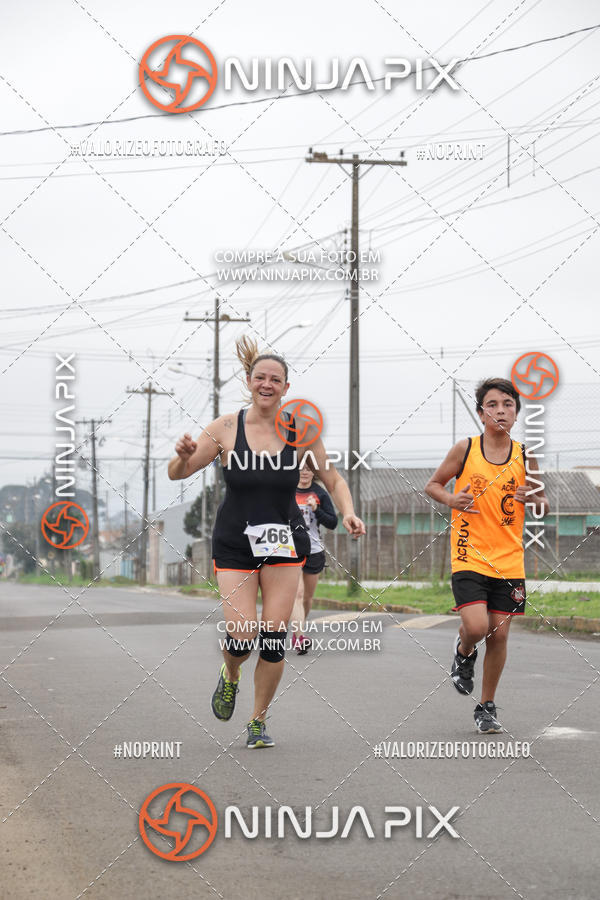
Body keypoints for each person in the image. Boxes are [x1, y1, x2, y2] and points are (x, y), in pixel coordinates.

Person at [168, 336, 365, 748]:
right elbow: (178, 473)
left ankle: (257, 720)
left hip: (284, 542)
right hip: (235, 544)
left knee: (274, 639)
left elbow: (333, 479)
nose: (267, 385)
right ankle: (232, 673)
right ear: (249, 381)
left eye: (276, 379)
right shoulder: (225, 427)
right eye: (261, 377)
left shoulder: (302, 431)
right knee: (241, 635)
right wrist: (184, 456)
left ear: (286, 388)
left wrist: (346, 510)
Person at [425, 377, 548, 734]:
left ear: (516, 413)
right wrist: (450, 499)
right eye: (492, 405)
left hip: (510, 560)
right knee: (477, 627)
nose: (500, 411)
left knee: (500, 635)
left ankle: (487, 705)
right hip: (469, 556)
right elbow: (433, 484)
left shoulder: (526, 455)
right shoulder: (466, 449)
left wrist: (534, 499)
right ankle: (464, 652)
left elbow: (544, 502)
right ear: (481, 413)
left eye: (508, 405)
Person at [290, 464, 338, 655]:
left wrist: (316, 509)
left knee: (307, 598)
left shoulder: (320, 493)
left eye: (309, 468)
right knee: (298, 594)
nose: (304, 472)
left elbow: (332, 522)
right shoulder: (288, 491)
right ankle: (300, 636)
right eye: (301, 468)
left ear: (314, 472)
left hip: (314, 550)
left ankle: (297, 629)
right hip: (290, 549)